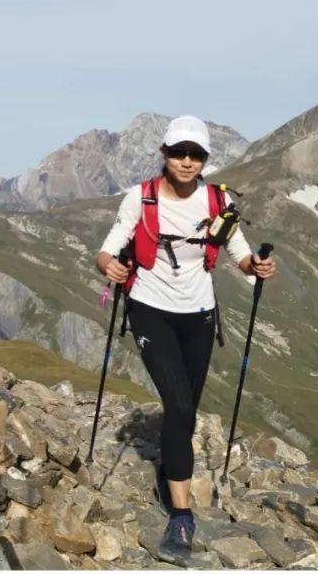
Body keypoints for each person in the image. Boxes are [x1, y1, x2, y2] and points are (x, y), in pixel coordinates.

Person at [95, 114, 276, 556]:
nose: (187, 161)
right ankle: (180, 516)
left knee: (186, 411)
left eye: (196, 154)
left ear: (205, 159)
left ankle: (168, 465)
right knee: (177, 404)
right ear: (164, 155)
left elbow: (238, 253)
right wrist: (109, 266)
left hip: (199, 315)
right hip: (150, 310)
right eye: (179, 152)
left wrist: (256, 266)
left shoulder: (218, 200)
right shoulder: (141, 198)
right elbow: (110, 245)